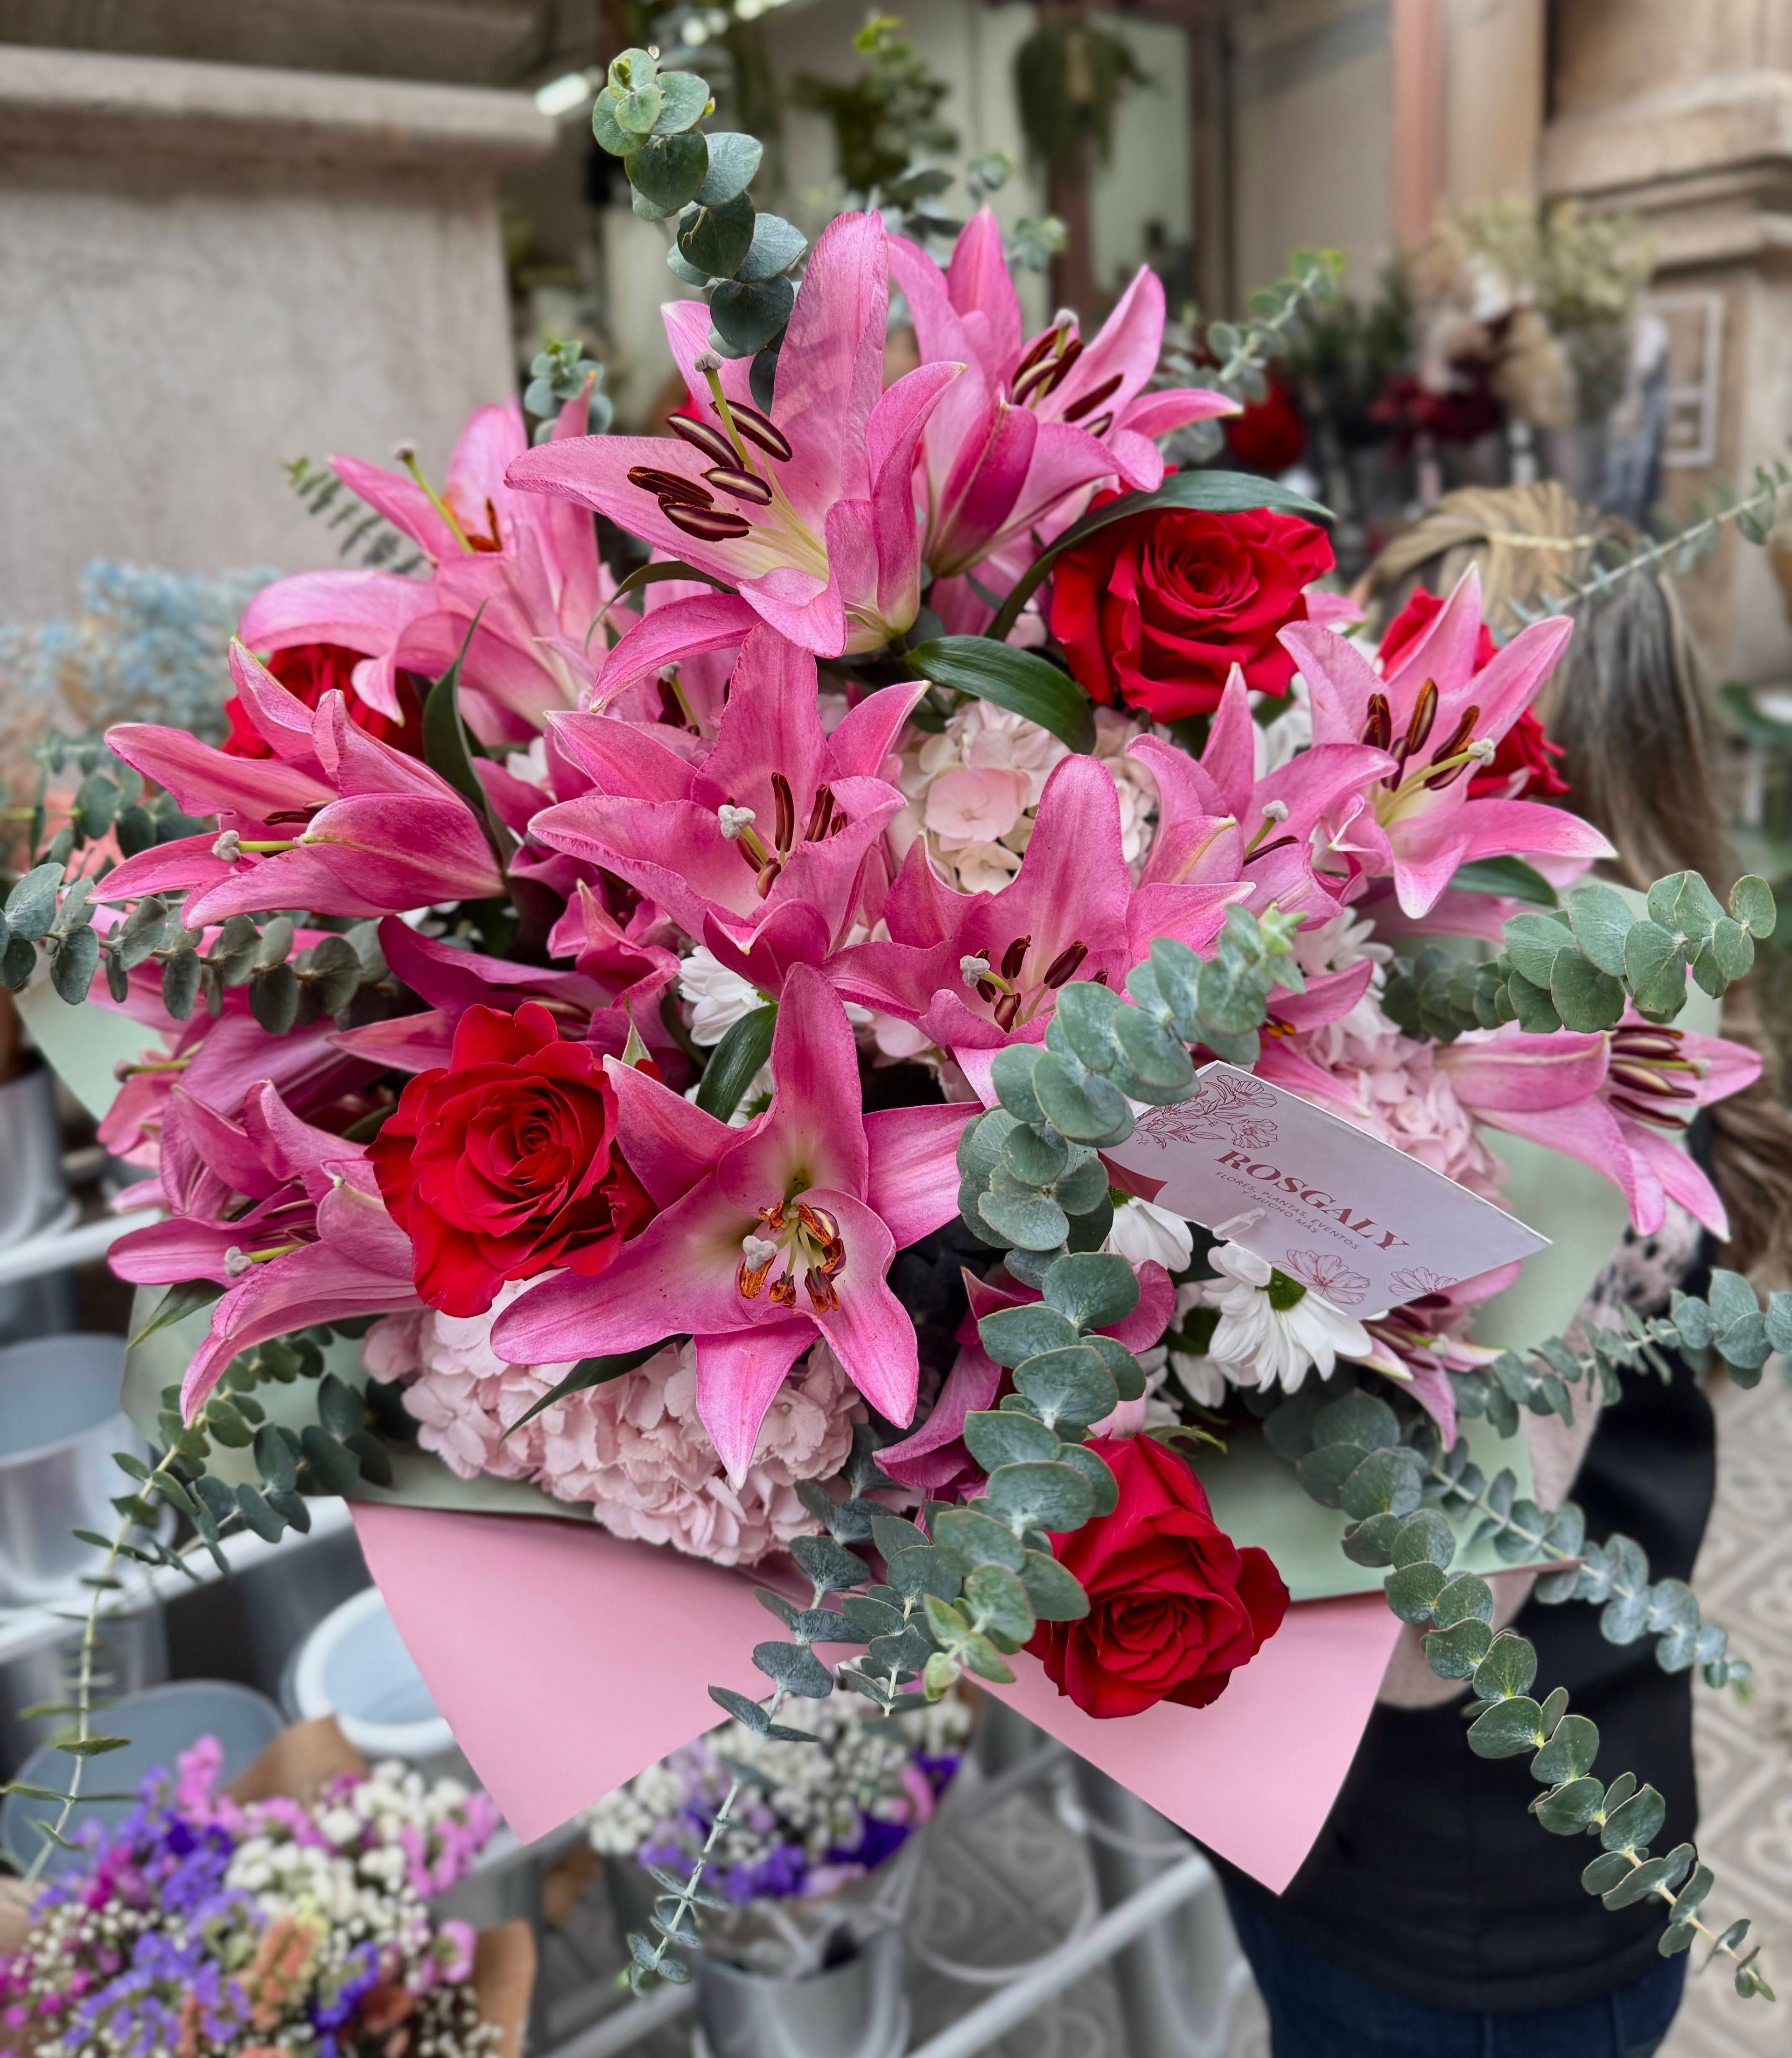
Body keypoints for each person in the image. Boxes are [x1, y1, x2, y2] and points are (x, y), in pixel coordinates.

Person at [1215, 481, 1792, 2056]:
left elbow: (1426, 1647)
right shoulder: (1383, 1045)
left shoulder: (1604, 1115)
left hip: (1481, 1925)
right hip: (1326, 1850)